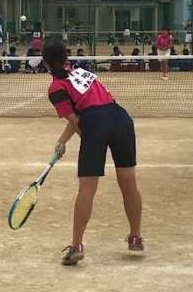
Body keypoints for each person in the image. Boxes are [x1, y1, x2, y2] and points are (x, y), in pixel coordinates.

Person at [43, 41, 143, 265]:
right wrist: (62, 141)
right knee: (129, 183)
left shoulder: (56, 87)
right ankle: (135, 237)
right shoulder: (82, 72)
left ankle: (76, 246)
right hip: (121, 119)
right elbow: (90, 110)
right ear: (66, 57)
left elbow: (78, 121)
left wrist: (90, 138)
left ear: (45, 64)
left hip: (96, 124)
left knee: (87, 189)